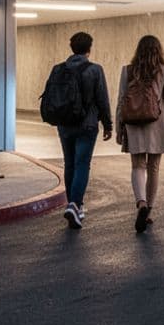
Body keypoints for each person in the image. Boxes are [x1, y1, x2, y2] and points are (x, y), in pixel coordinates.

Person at [115, 35, 164, 233]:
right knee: (153, 167)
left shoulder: (128, 70)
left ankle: (141, 203)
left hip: (133, 123)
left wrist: (119, 127)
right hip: (157, 124)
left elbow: (120, 101)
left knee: (137, 165)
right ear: (158, 50)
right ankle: (149, 211)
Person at [55, 31, 112, 230]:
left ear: (71, 48)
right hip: (87, 125)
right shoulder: (95, 70)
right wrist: (108, 124)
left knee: (69, 164)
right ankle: (75, 204)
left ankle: (75, 207)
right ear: (89, 48)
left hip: (64, 125)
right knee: (82, 164)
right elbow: (102, 99)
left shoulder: (59, 69)